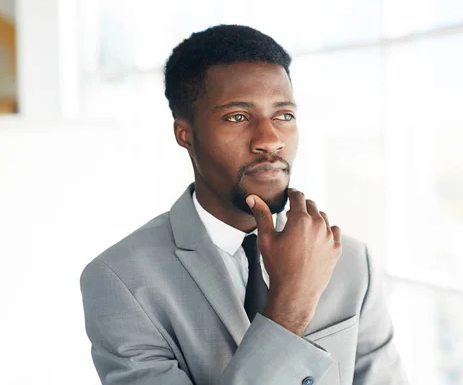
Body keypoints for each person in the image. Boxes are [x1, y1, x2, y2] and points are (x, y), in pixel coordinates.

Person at [80, 24, 408, 385]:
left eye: (284, 115)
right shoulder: (120, 281)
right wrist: (289, 310)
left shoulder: (350, 261)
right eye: (237, 117)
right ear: (185, 134)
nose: (270, 140)